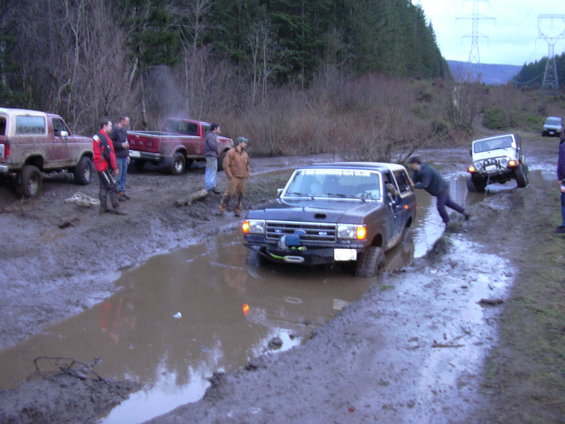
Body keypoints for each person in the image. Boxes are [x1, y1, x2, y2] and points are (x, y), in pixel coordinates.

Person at [407, 156, 469, 225]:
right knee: (449, 203)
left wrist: (414, 185)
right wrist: (410, 182)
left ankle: (447, 223)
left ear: (416, 163)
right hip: (439, 189)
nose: (410, 167)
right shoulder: (416, 171)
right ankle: (465, 213)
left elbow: (425, 184)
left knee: (440, 206)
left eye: (411, 165)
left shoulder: (426, 171)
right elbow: (414, 180)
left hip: (442, 188)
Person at [93, 119, 127, 215]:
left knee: (103, 186)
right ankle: (117, 208)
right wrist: (115, 167)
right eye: (110, 126)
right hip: (103, 166)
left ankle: (103, 208)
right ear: (105, 126)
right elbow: (110, 154)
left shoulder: (97, 137)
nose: (111, 128)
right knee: (112, 185)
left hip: (99, 165)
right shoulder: (105, 139)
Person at [219, 136, 251, 217]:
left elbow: (247, 164)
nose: (245, 144)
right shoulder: (231, 152)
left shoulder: (245, 154)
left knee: (241, 194)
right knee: (228, 194)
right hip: (234, 177)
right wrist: (230, 176)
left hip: (242, 178)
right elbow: (226, 165)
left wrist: (248, 173)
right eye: (244, 143)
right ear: (239, 143)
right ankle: (222, 208)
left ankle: (238, 209)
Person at [109, 115, 131, 200]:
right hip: (117, 156)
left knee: (124, 175)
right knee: (117, 175)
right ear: (121, 121)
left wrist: (127, 154)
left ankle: (122, 191)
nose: (128, 123)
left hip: (124, 156)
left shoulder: (124, 130)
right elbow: (111, 143)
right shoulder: (115, 130)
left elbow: (126, 142)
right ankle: (116, 193)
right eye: (127, 121)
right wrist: (121, 145)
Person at [204, 123, 221, 194]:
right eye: (218, 128)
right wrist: (217, 142)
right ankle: (209, 188)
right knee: (211, 172)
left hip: (212, 156)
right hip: (211, 156)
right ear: (215, 129)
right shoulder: (210, 136)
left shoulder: (213, 135)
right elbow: (213, 146)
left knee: (211, 172)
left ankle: (212, 187)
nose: (219, 130)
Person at [556, 134, 565, 233]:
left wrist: (561, 177)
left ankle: (564, 225)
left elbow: (562, 163)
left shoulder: (563, 146)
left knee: (564, 202)